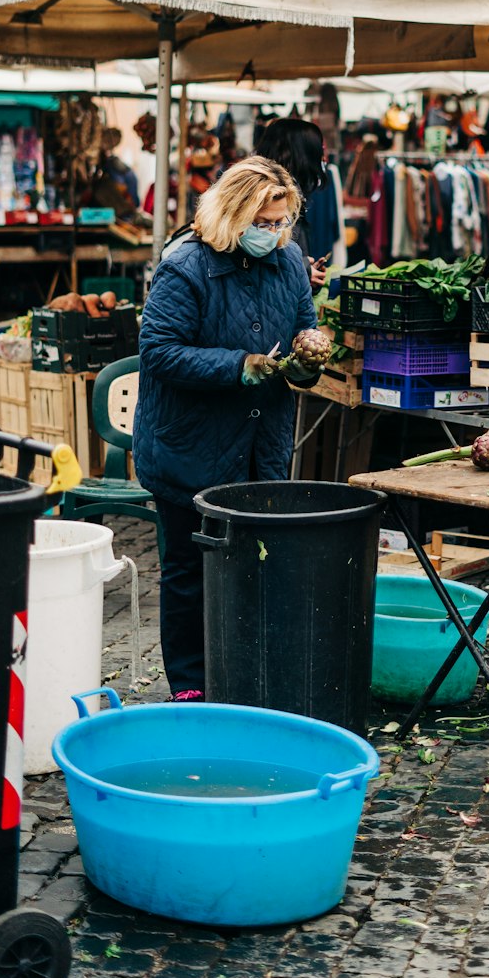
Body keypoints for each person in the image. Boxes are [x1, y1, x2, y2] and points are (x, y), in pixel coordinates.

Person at [133, 156, 321, 701]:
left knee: (256, 566)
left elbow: (304, 330)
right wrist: (238, 365)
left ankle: (245, 676)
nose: (273, 233)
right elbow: (159, 352)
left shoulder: (288, 265)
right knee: (189, 572)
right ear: (233, 214)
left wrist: (308, 365)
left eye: (281, 221)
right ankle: (191, 685)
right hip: (189, 447)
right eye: (263, 223)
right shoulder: (185, 267)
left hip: (261, 445)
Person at [253, 117, 330, 290]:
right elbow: (261, 258)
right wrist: (302, 269)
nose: (323, 158)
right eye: (319, 151)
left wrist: (305, 268)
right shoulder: (272, 196)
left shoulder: (291, 191)